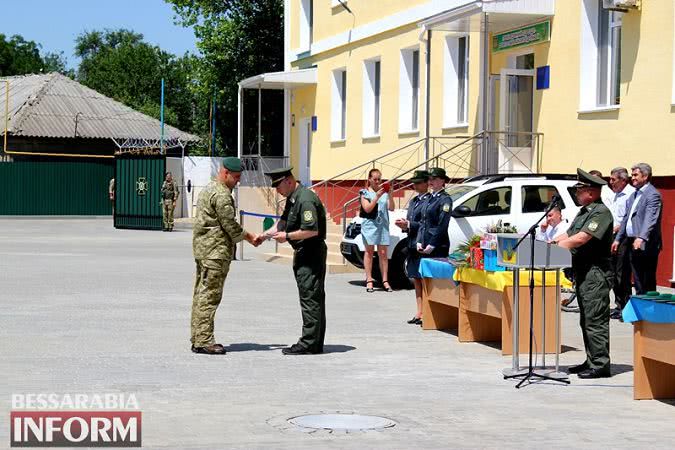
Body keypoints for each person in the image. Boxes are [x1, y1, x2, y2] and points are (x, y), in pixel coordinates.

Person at [191, 157, 259, 355]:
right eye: (236, 177)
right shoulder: (221, 195)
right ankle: (204, 340)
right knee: (210, 296)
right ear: (225, 173)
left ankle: (197, 336)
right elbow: (229, 224)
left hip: (205, 250)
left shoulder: (209, 188)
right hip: (215, 252)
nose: (237, 181)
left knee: (201, 294)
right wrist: (249, 237)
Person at [260, 166, 328, 355]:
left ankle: (309, 343)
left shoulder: (305, 199)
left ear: (289, 181)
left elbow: (311, 230)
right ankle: (314, 342)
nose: (277, 190)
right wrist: (264, 236)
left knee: (310, 298)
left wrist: (287, 236)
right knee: (312, 297)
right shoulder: (293, 198)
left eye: (278, 185)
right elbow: (282, 222)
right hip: (305, 252)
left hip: (310, 253)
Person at [554, 169, 614, 379]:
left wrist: (557, 246)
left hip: (596, 273)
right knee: (586, 318)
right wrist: (550, 242)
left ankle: (600, 364)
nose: (576, 194)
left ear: (591, 192)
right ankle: (591, 359)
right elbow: (570, 234)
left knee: (595, 318)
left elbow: (581, 239)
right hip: (584, 271)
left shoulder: (601, 212)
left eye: (579, 191)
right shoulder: (585, 211)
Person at [612, 163, 663, 295]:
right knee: (637, 280)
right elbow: (626, 219)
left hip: (646, 244)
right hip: (631, 242)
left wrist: (641, 237)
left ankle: (649, 313)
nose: (632, 178)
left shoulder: (652, 195)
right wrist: (618, 239)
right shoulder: (633, 195)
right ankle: (640, 312)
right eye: (632, 175)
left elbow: (650, 219)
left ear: (645, 176)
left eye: (636, 175)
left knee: (646, 281)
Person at [394, 170, 431, 325]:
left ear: (426, 183)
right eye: (414, 183)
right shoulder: (415, 201)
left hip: (422, 242)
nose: (415, 185)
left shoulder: (429, 201)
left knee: (424, 279)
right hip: (412, 242)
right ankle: (419, 311)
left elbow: (426, 223)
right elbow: (412, 221)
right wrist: (405, 225)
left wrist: (409, 224)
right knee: (415, 278)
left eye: (418, 183)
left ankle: (427, 312)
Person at [359, 168, 395, 292]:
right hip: (370, 225)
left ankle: (385, 280)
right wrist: (376, 197)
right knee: (369, 252)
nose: (377, 181)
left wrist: (390, 194)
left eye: (379, 179)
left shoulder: (384, 193)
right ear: (369, 179)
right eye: (375, 179)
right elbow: (367, 208)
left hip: (383, 225)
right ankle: (369, 280)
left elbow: (391, 208)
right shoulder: (364, 192)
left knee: (383, 253)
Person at [606, 167, 635, 319]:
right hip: (612, 236)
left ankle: (626, 307)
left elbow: (627, 218)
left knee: (622, 273)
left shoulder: (630, 194)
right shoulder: (616, 195)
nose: (610, 182)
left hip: (623, 237)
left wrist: (618, 229)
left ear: (623, 180)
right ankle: (619, 305)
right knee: (613, 272)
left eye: (613, 179)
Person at [417, 167, 453, 259]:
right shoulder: (429, 198)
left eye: (434, 179)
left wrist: (432, 244)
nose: (431, 181)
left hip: (438, 245)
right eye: (429, 179)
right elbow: (422, 221)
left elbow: (442, 224)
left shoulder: (445, 199)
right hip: (425, 244)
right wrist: (419, 240)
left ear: (442, 181)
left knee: (436, 273)